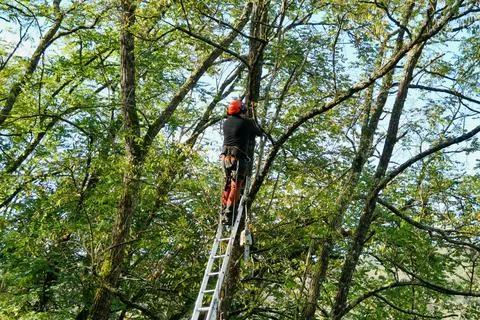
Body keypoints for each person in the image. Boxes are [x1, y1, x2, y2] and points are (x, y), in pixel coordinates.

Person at [221, 99, 262, 225]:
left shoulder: (226, 122)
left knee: (228, 183)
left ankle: (224, 209)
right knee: (236, 185)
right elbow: (259, 133)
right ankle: (229, 211)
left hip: (225, 158)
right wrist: (253, 119)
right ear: (241, 109)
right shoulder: (246, 122)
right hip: (238, 158)